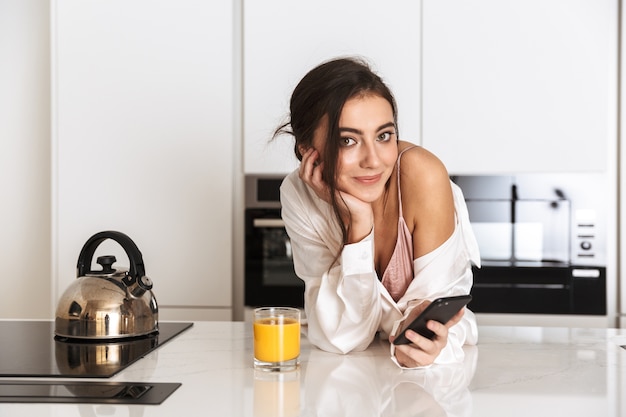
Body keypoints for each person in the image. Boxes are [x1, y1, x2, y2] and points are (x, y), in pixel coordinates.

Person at [275, 56, 480, 368]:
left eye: (384, 135)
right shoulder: (299, 195)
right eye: (348, 140)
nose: (373, 160)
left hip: (441, 374)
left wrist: (424, 344)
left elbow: (431, 325)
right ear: (306, 149)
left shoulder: (421, 175)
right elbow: (342, 339)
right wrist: (357, 223)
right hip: (353, 378)